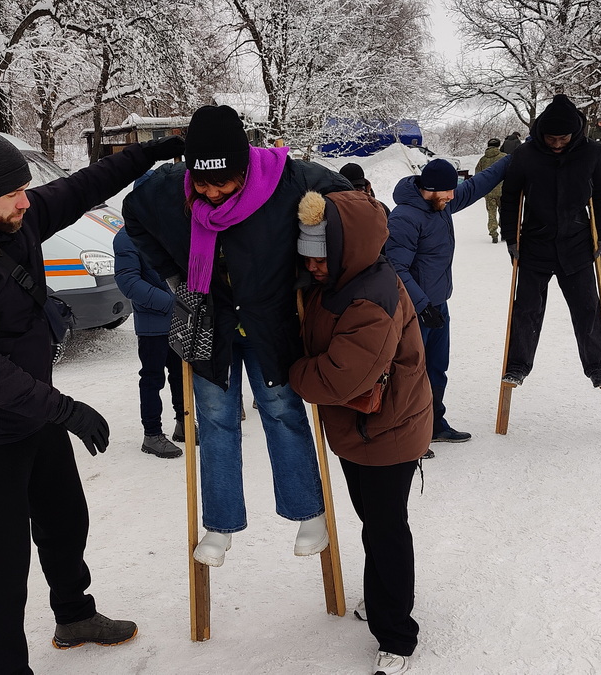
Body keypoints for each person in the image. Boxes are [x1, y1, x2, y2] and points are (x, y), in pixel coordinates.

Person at [0, 128, 184, 674]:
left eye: (25, 189)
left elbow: (87, 185)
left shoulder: (18, 215)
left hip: (35, 414)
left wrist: (156, 149)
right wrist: (66, 409)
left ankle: (75, 616)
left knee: (64, 521)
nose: (25, 200)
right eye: (12, 193)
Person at [123, 104, 352, 567]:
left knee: (281, 409)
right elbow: (133, 215)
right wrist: (174, 275)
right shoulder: (168, 190)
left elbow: (354, 203)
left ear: (245, 166)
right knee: (215, 420)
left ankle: (309, 513)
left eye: (222, 181)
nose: (209, 192)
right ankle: (220, 524)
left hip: (272, 319)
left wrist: (312, 263)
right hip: (208, 319)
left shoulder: (290, 179)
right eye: (201, 183)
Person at [288, 189, 433, 675]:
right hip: (364, 432)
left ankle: (397, 634)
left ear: (346, 250)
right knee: (376, 522)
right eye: (306, 259)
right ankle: (384, 600)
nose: (312, 268)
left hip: (387, 432)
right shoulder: (344, 280)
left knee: (386, 528)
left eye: (320, 259)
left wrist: (289, 371)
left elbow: (340, 377)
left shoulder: (372, 298)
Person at [385, 154, 509, 444]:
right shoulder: (405, 217)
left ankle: (434, 425)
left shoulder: (440, 205)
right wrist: (422, 305)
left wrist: (510, 160)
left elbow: (478, 184)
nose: (453, 196)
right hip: (415, 312)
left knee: (437, 369)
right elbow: (395, 267)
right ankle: (408, 434)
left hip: (438, 305)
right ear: (431, 188)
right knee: (411, 373)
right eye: (448, 191)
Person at [498, 94, 601, 390]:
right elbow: (510, 197)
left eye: (563, 138)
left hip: (576, 244)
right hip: (535, 243)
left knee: (588, 307)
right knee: (526, 308)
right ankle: (517, 365)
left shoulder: (590, 152)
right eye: (551, 138)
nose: (557, 143)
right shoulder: (526, 155)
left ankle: (597, 367)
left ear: (574, 132)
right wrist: (511, 236)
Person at [112, 226, 185, 458]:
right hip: (153, 324)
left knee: (181, 375)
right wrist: (171, 304)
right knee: (153, 379)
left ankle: (183, 423)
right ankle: (152, 434)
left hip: (178, 320)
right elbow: (129, 282)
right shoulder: (126, 237)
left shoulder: (165, 227)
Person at [474, 138, 507, 243]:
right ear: (498, 145)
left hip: (489, 192)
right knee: (504, 212)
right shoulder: (504, 157)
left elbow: (477, 175)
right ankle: (505, 232)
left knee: (491, 213)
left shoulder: (483, 160)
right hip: (503, 191)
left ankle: (493, 234)